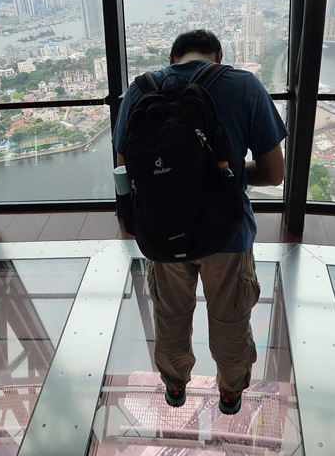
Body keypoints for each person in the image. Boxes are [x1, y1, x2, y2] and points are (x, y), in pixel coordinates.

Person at [112, 30, 288, 414]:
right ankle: (229, 391)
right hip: (227, 234)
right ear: (219, 56)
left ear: (171, 58)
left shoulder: (138, 91)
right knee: (230, 318)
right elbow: (275, 174)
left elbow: (125, 172)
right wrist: (228, 176)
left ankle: (175, 387)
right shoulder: (243, 85)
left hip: (161, 233)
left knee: (171, 316)